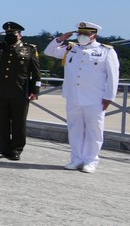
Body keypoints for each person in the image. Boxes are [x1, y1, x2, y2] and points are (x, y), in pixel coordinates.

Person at [44, 22, 120, 173]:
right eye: (80, 34)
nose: (82, 37)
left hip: (95, 98)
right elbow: (49, 51)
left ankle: (91, 160)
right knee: (75, 129)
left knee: (94, 130)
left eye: (86, 34)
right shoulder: (72, 49)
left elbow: (113, 76)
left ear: (94, 35)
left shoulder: (105, 51)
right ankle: (76, 159)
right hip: (74, 97)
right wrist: (60, 39)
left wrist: (109, 97)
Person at [0, 22, 41, 160]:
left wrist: (35, 90)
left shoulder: (29, 49)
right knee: (2, 122)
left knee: (19, 122)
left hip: (20, 91)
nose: (10, 36)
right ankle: (4, 149)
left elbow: (36, 73)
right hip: (1, 91)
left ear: (20, 35)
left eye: (13, 34)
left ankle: (16, 149)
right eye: (8, 34)